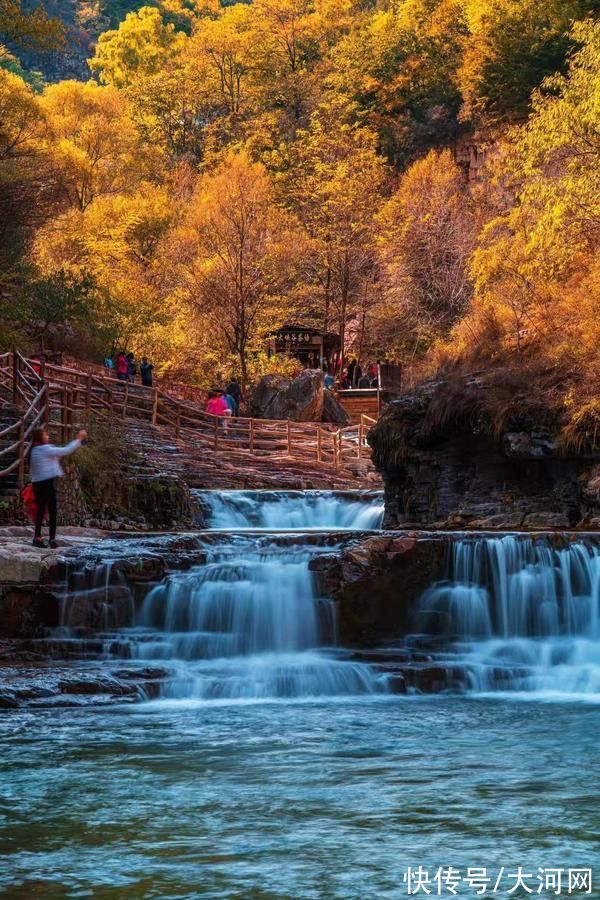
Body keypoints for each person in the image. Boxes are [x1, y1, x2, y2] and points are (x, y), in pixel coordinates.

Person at [29, 427, 87, 549]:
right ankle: (52, 539)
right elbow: (66, 450)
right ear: (40, 436)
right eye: (45, 434)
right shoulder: (45, 449)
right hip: (47, 484)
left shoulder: (34, 450)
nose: (47, 436)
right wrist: (78, 439)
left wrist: (55, 457)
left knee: (40, 511)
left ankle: (37, 537)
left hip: (37, 484)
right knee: (53, 511)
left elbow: (45, 462)